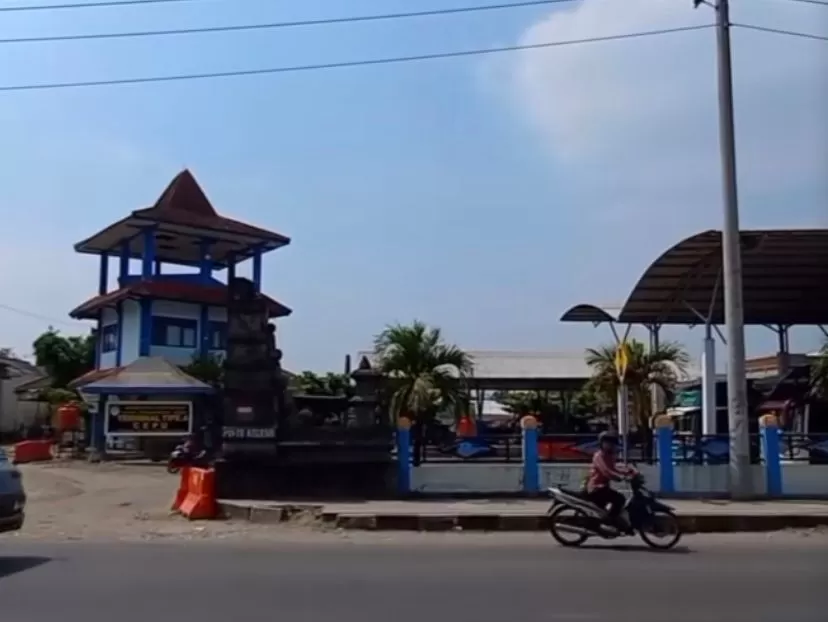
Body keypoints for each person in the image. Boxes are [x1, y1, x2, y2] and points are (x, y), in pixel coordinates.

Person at [586, 431, 636, 529]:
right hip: (596, 488)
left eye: (612, 443)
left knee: (616, 499)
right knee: (620, 499)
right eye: (608, 443)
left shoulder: (609, 456)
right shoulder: (599, 456)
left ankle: (608, 519)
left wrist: (628, 471)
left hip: (603, 487)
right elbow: (606, 471)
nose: (611, 445)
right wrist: (618, 477)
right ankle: (609, 522)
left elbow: (614, 468)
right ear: (602, 443)